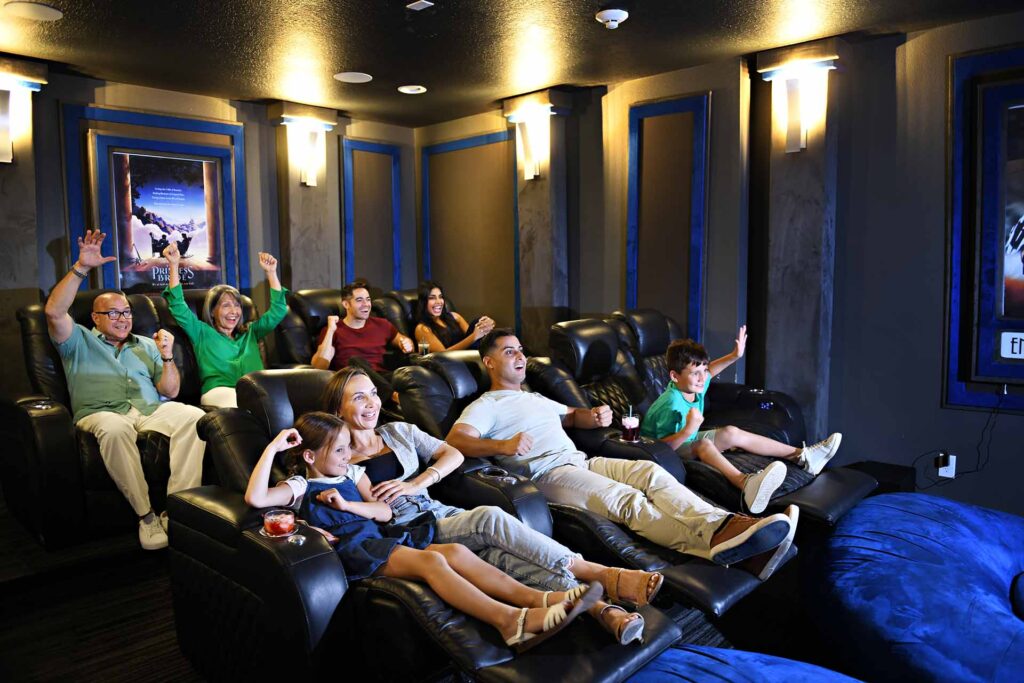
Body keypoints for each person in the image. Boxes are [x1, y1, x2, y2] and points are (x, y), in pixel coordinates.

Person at [319, 366, 660, 644]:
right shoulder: (335, 459)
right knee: (490, 518)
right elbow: (309, 493)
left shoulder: (399, 432)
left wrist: (418, 482)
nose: (371, 403)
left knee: (504, 558)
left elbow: (451, 452)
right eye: (359, 397)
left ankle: (602, 611)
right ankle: (604, 575)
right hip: (411, 535)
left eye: (374, 394)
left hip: (440, 515)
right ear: (338, 410)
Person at [446, 329, 800, 581]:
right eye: (510, 351)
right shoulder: (486, 405)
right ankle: (718, 538)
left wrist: (593, 415)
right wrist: (501, 446)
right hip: (547, 474)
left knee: (651, 474)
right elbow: (456, 439)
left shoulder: (535, 398)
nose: (521, 356)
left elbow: (570, 416)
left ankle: (730, 529)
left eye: (521, 349)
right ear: (490, 363)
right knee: (628, 500)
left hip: (582, 460)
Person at [244, 412, 601, 653]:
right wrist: (274, 447)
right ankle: (508, 621)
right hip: (354, 551)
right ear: (308, 456)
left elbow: (384, 511)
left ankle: (538, 600)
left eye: (348, 447)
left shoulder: (352, 475)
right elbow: (255, 497)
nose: (347, 454)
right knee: (432, 563)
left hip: (377, 536)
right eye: (339, 450)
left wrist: (348, 506)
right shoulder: (299, 485)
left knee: (457, 553)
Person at [45, 230, 206, 550]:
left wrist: (167, 355)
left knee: (194, 417)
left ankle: (178, 510)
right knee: (115, 428)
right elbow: (53, 312)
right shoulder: (76, 340)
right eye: (114, 313)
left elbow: (171, 392)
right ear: (95, 317)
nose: (123, 318)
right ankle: (146, 516)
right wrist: (81, 268)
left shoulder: (146, 344)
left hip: (148, 409)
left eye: (127, 312)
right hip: (101, 412)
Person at [641, 329, 842, 514]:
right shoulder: (671, 406)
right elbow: (662, 449)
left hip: (686, 436)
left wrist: (734, 356)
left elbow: (711, 370)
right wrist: (687, 431)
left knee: (731, 432)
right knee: (703, 445)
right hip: (660, 454)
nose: (703, 378)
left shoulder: (694, 384)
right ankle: (746, 484)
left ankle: (802, 457)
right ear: (675, 376)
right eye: (696, 373)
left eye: (703, 370)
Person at [162, 242, 289, 408]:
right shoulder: (201, 332)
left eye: (237, 305)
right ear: (212, 310)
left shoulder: (251, 332)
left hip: (256, 391)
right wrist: (173, 264)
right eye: (226, 305)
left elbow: (278, 310)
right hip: (219, 392)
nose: (234, 311)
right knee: (253, 405)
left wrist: (271, 273)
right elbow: (177, 304)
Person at [311, 281, 414, 399]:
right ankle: (393, 396)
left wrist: (406, 343)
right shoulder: (334, 330)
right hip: (354, 381)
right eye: (359, 300)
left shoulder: (382, 324)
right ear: (346, 304)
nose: (366, 304)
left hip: (382, 377)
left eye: (368, 299)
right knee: (355, 362)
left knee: (413, 368)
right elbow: (320, 366)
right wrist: (331, 330)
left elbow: (402, 340)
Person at [413, 281, 495, 352]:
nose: (438, 302)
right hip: (453, 364)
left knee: (478, 321)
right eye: (432, 298)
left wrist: (487, 324)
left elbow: (474, 339)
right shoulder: (422, 329)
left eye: (440, 297)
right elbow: (443, 355)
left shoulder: (455, 316)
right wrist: (474, 336)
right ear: (423, 302)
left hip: (471, 354)